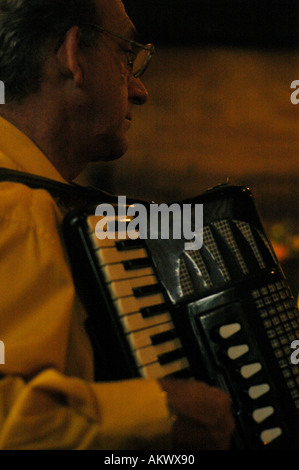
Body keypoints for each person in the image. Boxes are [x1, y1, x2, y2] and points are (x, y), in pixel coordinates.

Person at [0, 0, 234, 450]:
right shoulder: (17, 210)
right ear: (74, 56)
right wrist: (161, 411)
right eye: (127, 57)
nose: (140, 90)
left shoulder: (40, 204)